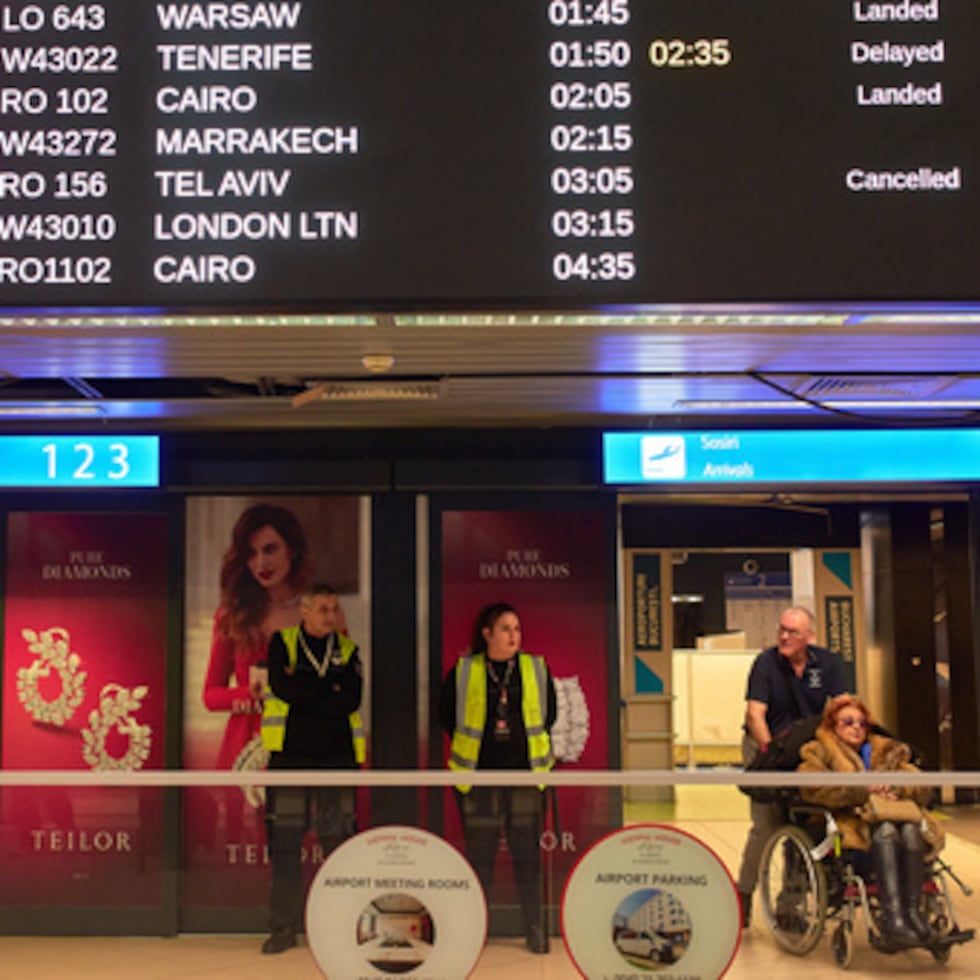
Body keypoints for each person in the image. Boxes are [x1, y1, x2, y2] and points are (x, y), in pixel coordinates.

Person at [440, 602, 557, 954]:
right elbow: (447, 717)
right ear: (486, 634)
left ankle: (534, 928)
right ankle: (476, 929)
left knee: (527, 855)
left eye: (517, 629)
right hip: (478, 780)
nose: (513, 636)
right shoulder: (463, 671)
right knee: (480, 856)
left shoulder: (535, 669)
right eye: (505, 628)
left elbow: (548, 715)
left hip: (525, 776)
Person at [258, 583, 365, 955]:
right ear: (304, 611)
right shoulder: (281, 643)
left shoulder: (348, 649)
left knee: (338, 844)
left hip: (338, 761)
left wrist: (308, 688)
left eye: (334, 609)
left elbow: (350, 699)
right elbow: (282, 687)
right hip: (290, 760)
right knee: (286, 844)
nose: (330, 616)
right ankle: (283, 927)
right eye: (322, 609)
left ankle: (341, 926)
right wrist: (328, 689)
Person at [797, 694, 942, 947]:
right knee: (886, 830)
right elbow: (811, 787)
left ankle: (913, 914)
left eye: (862, 723)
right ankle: (892, 917)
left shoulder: (886, 751)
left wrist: (896, 788)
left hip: (895, 818)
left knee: (909, 830)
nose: (856, 728)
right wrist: (862, 790)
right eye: (848, 722)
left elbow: (919, 783)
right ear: (833, 725)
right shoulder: (818, 752)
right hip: (853, 826)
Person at [736, 606, 846, 928]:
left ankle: (790, 904)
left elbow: (842, 707)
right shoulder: (766, 663)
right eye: (781, 629)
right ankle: (743, 892)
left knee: (805, 825)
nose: (784, 636)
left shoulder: (826, 663)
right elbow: (755, 714)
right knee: (767, 827)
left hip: (805, 753)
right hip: (766, 746)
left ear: (809, 637)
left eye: (792, 632)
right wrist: (771, 754)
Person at [203, 503, 313, 772]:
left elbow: (341, 690)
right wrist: (252, 696)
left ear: (293, 550)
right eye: (251, 554)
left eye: (270, 550)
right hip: (246, 749)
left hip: (305, 741)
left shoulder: (319, 615)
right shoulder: (233, 617)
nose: (260, 563)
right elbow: (211, 696)